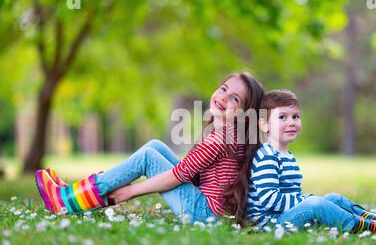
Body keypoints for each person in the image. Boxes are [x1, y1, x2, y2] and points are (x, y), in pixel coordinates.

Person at [35, 72, 265, 225]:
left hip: (203, 215)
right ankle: (79, 195)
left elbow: (179, 175)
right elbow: (191, 173)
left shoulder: (221, 139)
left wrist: (132, 191)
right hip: (207, 208)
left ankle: (67, 201)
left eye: (235, 99)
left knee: (148, 156)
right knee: (155, 146)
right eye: (224, 89)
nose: (224, 98)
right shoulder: (230, 135)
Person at [244, 89, 376, 234]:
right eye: (282, 117)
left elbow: (292, 196)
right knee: (315, 204)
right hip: (270, 224)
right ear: (264, 125)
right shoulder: (266, 155)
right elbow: (269, 199)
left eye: (295, 116)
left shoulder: (287, 155)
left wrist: (304, 200)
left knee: (334, 198)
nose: (291, 122)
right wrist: (305, 200)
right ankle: (373, 228)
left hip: (285, 216)